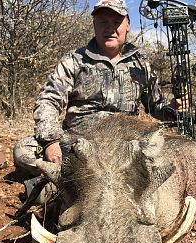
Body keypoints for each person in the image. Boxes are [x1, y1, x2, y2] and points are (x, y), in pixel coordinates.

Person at [13, 0, 184, 176]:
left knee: (173, 155)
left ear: (127, 25)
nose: (109, 28)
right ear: (94, 25)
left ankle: (67, 181)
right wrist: (50, 142)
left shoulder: (141, 65)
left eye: (116, 22)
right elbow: (49, 100)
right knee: (24, 150)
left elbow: (155, 106)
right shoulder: (74, 60)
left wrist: (174, 108)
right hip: (79, 144)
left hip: (127, 144)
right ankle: (73, 179)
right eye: (103, 22)